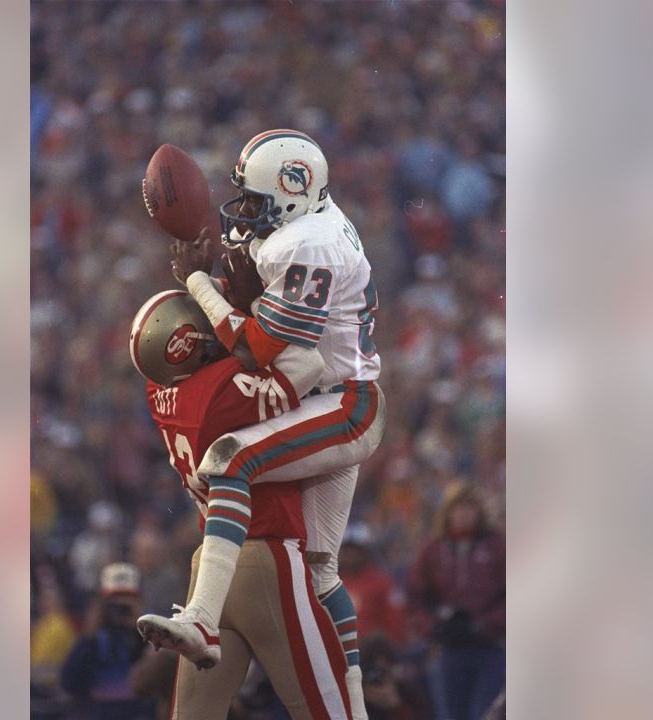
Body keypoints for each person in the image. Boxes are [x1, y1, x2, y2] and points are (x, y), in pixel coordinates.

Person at [141, 131, 385, 716]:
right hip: (330, 393)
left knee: (230, 458)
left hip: (343, 403)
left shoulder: (305, 243)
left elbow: (255, 349)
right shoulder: (309, 225)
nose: (245, 213)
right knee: (323, 572)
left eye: (255, 201)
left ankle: (201, 618)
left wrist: (200, 283)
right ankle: (356, 702)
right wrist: (237, 283)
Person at [128, 291, 353, 718]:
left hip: (210, 567)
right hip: (266, 557)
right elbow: (307, 364)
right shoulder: (217, 390)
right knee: (329, 709)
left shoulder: (158, 389)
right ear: (188, 340)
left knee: (194, 715)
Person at [406, 484, 505, 720]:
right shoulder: (431, 549)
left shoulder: (498, 546)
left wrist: (483, 624)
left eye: (469, 507)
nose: (463, 514)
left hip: (489, 647)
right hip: (445, 648)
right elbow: (416, 597)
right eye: (457, 508)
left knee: (485, 713)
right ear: (447, 512)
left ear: (479, 512)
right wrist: (433, 626)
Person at [61, 563, 156, 720]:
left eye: (127, 600)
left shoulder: (151, 629)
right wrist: (89, 637)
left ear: (139, 601)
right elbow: (68, 681)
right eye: (114, 601)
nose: (120, 608)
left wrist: (141, 632)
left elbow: (156, 678)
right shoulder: (95, 637)